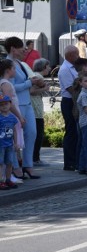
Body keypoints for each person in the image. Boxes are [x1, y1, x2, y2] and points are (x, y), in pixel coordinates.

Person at [5, 37, 44, 180]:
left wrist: (35, 82)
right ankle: (15, 167)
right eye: (22, 47)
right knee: (15, 138)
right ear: (13, 49)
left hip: (27, 104)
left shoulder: (20, 64)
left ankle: (27, 165)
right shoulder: (7, 64)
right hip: (16, 105)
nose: (25, 50)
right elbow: (9, 87)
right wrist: (29, 83)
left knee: (31, 133)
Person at [58, 45, 80, 171]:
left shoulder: (72, 67)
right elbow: (71, 89)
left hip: (73, 101)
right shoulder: (65, 69)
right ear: (71, 55)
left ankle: (75, 160)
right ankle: (69, 162)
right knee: (71, 131)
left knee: (75, 132)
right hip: (69, 102)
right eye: (77, 54)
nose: (79, 57)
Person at [30, 58, 51, 166]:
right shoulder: (39, 77)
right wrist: (44, 89)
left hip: (34, 108)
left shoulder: (35, 75)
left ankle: (34, 157)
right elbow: (32, 91)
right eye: (48, 66)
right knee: (38, 134)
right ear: (44, 67)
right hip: (35, 109)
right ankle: (35, 158)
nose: (50, 68)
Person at [0, 94, 19, 190]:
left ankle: (8, 179)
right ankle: (1, 181)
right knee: (0, 163)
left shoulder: (12, 117)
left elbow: (14, 131)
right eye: (1, 104)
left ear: (10, 104)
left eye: (6, 104)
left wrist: (16, 143)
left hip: (9, 144)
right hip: (1, 145)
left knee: (9, 162)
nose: (4, 106)